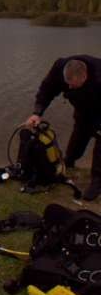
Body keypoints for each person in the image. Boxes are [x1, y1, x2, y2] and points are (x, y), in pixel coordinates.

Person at [25, 56, 101, 201]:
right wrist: (37, 113)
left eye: (74, 85)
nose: (70, 88)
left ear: (85, 76)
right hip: (82, 107)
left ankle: (97, 181)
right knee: (79, 132)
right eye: (68, 84)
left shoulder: (99, 74)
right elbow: (46, 90)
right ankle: (70, 161)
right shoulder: (59, 68)